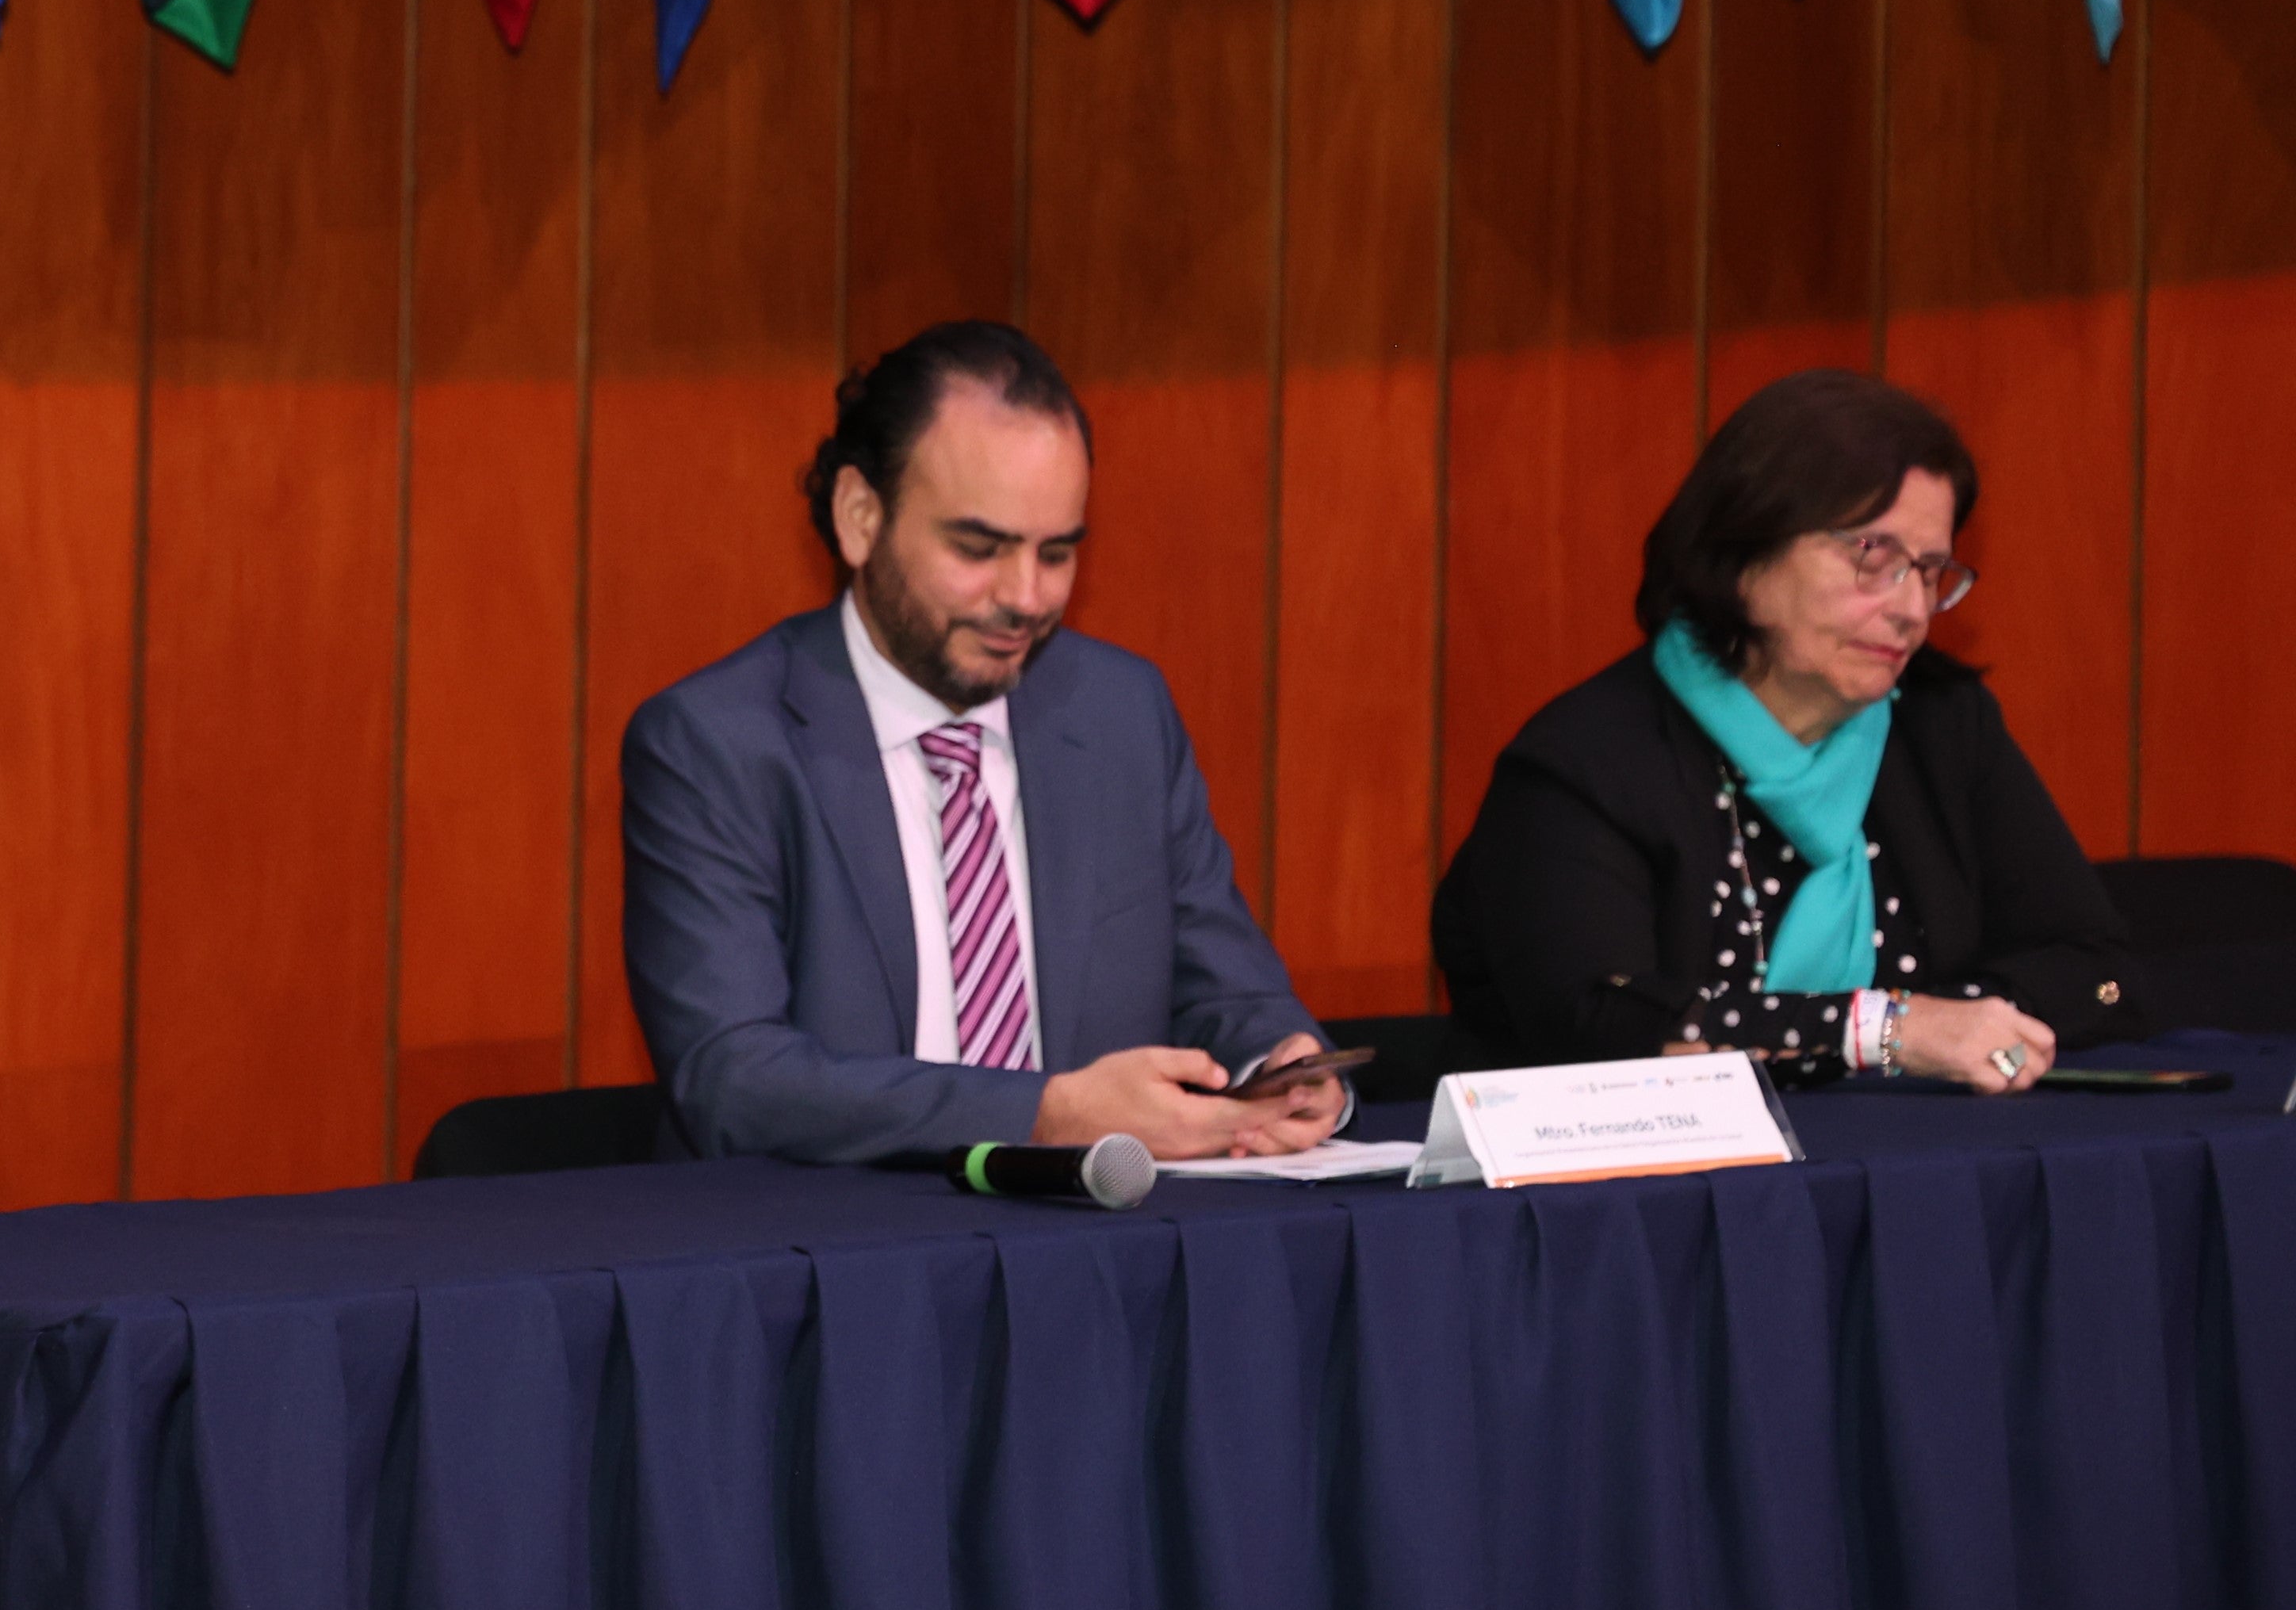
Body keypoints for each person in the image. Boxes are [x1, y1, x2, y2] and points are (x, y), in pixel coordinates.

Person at [622, 323, 1350, 1167]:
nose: (1025, 598)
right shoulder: (716, 742)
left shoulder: (1121, 712)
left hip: (1096, 1245)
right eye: (978, 548)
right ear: (860, 518)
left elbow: (1227, 990)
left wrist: (1279, 1070)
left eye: (1057, 553)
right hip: (828, 1256)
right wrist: (1041, 1116)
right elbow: (732, 1079)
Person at [1433, 369, 2140, 1088]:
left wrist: (1973, 1035)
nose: (1913, 611)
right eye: (1875, 557)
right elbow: (1596, 1022)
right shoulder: (1586, 760)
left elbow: (2094, 970)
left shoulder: (1942, 727)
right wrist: (1886, 1032)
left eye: (1929, 571)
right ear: (1744, 555)